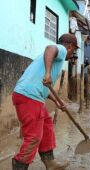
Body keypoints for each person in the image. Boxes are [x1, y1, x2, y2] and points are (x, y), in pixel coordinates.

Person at [12, 33, 79, 169]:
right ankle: (19, 165)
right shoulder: (61, 49)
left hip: (31, 95)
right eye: (73, 51)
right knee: (34, 137)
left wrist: (58, 101)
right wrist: (48, 73)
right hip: (29, 96)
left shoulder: (51, 60)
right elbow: (50, 48)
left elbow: (45, 88)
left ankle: (49, 162)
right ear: (70, 46)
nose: (71, 54)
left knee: (47, 125)